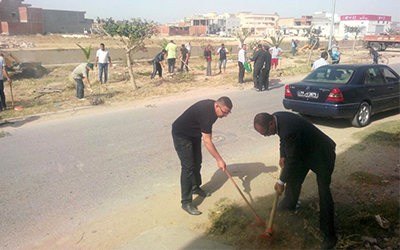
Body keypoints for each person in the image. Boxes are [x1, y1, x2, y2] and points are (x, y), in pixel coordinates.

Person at [253, 112, 337, 250]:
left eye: (265, 133)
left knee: (324, 192)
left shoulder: (288, 130)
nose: (266, 136)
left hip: (322, 154)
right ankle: (288, 206)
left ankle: (329, 236)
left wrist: (280, 182)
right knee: (293, 181)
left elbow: (292, 160)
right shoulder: (276, 118)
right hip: (303, 151)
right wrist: (282, 155)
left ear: (271, 124)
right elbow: (283, 139)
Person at [172, 97, 233, 215]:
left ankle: (195, 187)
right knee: (188, 167)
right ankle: (186, 202)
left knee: (197, 161)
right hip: (182, 135)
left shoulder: (215, 111)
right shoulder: (207, 114)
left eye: (228, 113)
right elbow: (208, 141)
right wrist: (219, 160)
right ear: (217, 106)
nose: (225, 115)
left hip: (194, 134)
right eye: (224, 112)